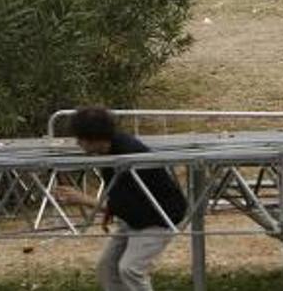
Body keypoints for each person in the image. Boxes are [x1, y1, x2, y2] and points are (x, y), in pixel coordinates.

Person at [55, 108, 188, 291]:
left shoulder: (128, 156)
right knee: (107, 268)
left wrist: (83, 199)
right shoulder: (110, 149)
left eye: (81, 138)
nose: (78, 143)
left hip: (161, 217)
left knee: (130, 269)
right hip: (137, 218)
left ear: (95, 138)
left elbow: (124, 206)